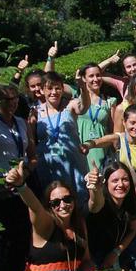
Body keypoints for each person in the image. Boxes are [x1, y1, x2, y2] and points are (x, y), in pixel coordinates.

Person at [0, 84, 34, 271]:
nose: (12, 104)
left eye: (15, 99)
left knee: (23, 229)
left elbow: (32, 156)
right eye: (7, 100)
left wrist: (25, 173)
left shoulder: (21, 123)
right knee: (2, 234)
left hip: (22, 183)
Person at [32, 71, 91, 212]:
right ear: (42, 90)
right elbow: (31, 141)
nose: (54, 92)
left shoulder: (70, 106)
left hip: (74, 166)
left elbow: (84, 106)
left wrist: (82, 87)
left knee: (79, 204)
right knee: (56, 205)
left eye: (57, 88)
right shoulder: (35, 112)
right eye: (49, 88)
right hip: (50, 167)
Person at [76, 63, 116, 169]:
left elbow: (113, 131)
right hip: (81, 151)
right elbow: (49, 81)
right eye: (91, 76)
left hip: (102, 153)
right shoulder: (76, 98)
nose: (96, 79)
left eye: (98, 75)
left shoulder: (109, 101)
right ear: (84, 78)